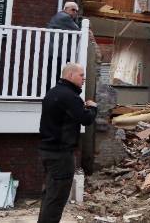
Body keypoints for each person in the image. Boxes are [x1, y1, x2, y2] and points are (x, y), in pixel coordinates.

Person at [37, 63, 97, 223]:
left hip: (47, 151)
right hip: (60, 155)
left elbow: (66, 116)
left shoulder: (53, 92)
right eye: (81, 75)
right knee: (56, 199)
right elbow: (86, 119)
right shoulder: (70, 96)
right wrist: (92, 108)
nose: (84, 78)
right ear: (70, 75)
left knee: (50, 195)